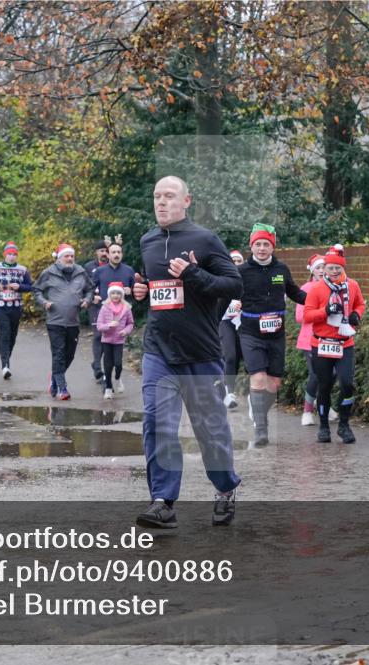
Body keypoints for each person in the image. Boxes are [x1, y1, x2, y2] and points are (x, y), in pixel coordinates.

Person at [132, 176, 243, 529]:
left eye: (169, 196)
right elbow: (156, 287)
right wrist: (141, 290)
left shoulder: (205, 240)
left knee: (210, 431)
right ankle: (163, 502)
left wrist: (195, 273)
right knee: (157, 424)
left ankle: (225, 488)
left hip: (201, 354)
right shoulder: (148, 241)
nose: (161, 202)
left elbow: (234, 285)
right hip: (159, 351)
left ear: (187, 201)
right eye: (157, 196)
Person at [236, 223, 307, 447]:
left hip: (276, 333)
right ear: (251, 246)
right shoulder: (242, 271)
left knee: (274, 383)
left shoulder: (281, 269)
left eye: (266, 244)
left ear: (272, 247)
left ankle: (257, 407)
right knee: (258, 377)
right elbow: (226, 292)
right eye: (258, 244)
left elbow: (295, 292)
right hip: (250, 332)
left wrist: (318, 300)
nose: (262, 248)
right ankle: (261, 429)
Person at [302, 244, 366, 443]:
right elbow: (307, 316)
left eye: (338, 267)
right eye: (330, 267)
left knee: (347, 384)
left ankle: (344, 425)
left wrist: (356, 314)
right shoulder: (317, 288)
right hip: (322, 343)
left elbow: (360, 304)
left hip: (345, 343)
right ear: (325, 268)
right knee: (325, 385)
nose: (334, 271)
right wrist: (325, 311)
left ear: (343, 267)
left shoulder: (352, 285)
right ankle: (323, 426)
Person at [32, 242, 93, 400]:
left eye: (72, 256)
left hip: (73, 321)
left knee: (69, 355)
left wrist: (87, 300)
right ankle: (62, 388)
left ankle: (54, 378)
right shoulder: (49, 272)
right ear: (59, 258)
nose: (70, 259)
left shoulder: (81, 272)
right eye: (67, 256)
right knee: (58, 354)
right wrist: (44, 302)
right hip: (55, 321)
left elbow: (90, 289)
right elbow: (37, 290)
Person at [0, 241, 34, 379]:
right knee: (4, 333)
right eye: (9, 254)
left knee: (12, 336)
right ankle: (5, 366)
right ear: (4, 255)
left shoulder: (22, 270)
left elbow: (31, 286)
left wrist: (20, 287)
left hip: (15, 307)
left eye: (14, 254)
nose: (12, 257)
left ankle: (6, 360)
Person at [295, 253, 327, 426]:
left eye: (324, 267)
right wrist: (322, 313)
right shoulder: (306, 288)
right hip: (309, 339)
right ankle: (307, 411)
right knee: (315, 374)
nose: (321, 271)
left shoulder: (334, 287)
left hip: (329, 339)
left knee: (331, 375)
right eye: (318, 268)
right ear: (312, 271)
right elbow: (299, 316)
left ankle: (324, 405)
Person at [96, 281, 134, 399]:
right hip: (106, 340)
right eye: (113, 293)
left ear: (122, 295)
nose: (115, 295)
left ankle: (117, 378)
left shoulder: (127, 308)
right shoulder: (104, 307)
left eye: (118, 293)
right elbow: (99, 326)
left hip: (119, 340)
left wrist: (126, 331)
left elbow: (130, 323)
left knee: (118, 364)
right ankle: (108, 388)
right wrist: (109, 325)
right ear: (109, 295)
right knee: (107, 365)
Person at [219, 249, 245, 409]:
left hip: (244, 322)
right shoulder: (223, 278)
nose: (236, 264)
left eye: (239, 261)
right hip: (226, 321)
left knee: (242, 357)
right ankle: (229, 393)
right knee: (230, 356)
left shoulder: (248, 278)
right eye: (233, 261)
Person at [83, 238, 110, 384]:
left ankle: (98, 364)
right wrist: (92, 297)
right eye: (101, 250)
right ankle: (98, 368)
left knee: (107, 335)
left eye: (106, 251)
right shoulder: (88, 267)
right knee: (98, 335)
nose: (104, 253)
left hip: (111, 306)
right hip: (95, 305)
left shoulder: (113, 265)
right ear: (96, 252)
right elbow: (84, 285)